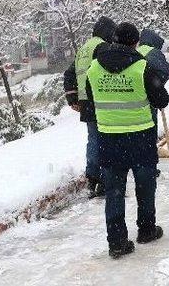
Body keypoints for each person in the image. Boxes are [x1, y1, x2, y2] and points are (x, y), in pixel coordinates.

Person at [85, 22, 169, 259]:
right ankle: (146, 229)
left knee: (113, 190)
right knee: (145, 186)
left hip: (109, 138)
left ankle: (117, 241)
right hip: (140, 137)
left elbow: (90, 103)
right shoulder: (142, 68)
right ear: (135, 43)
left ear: (113, 40)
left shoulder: (94, 69)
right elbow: (161, 99)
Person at [64, 16, 116, 199]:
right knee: (107, 140)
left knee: (93, 139)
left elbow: (69, 73)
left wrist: (72, 98)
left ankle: (92, 175)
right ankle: (104, 179)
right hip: (100, 100)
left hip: (86, 101)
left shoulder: (84, 49)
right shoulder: (102, 47)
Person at [137, 29, 169, 126]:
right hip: (150, 96)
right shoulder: (154, 52)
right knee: (150, 124)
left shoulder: (135, 51)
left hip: (135, 96)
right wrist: (157, 87)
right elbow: (166, 70)